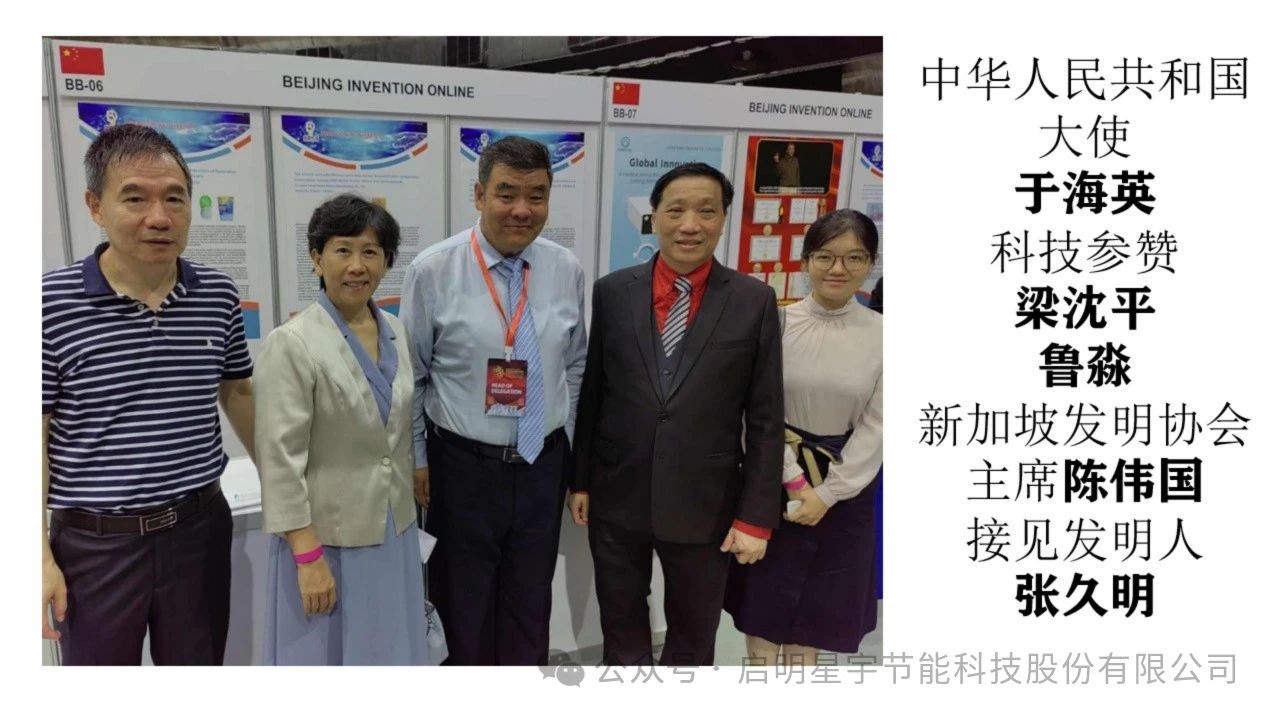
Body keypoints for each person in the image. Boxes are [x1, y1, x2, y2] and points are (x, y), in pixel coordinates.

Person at [41, 123, 255, 664]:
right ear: (95, 206)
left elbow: (238, 393)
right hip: (95, 548)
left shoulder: (217, 294)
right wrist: (35, 556)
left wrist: (285, 484)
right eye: (135, 198)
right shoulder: (47, 305)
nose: (159, 217)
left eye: (174, 199)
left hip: (198, 533)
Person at [569, 162, 784, 666]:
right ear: (655, 216)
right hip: (618, 493)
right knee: (621, 626)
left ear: (724, 219)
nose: (690, 224)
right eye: (676, 210)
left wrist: (756, 516)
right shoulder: (612, 291)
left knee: (692, 634)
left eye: (706, 211)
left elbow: (766, 417)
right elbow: (595, 391)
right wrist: (581, 480)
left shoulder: (753, 300)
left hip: (705, 501)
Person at [400, 136, 587, 665]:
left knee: (530, 602)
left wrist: (569, 457)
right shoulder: (434, 270)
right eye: (507, 193)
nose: (521, 209)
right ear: (479, 194)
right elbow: (412, 376)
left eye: (536, 196)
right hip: (461, 468)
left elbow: (575, 365)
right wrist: (417, 458)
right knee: (463, 607)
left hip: (541, 464)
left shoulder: (565, 268)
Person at [254, 194, 427, 665]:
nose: (357, 266)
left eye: (371, 252)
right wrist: (306, 556)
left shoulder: (396, 331)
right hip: (327, 541)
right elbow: (279, 460)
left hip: (393, 532)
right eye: (342, 250)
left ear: (387, 261)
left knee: (390, 654)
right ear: (317, 258)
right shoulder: (292, 344)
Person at [724, 209, 883, 665]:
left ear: (870, 263)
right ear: (805, 260)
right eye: (825, 256)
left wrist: (827, 494)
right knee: (763, 614)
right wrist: (794, 483)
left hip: (845, 492)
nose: (838, 269)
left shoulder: (885, 334)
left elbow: (879, 425)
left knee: (813, 619)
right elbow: (756, 411)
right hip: (773, 481)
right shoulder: (774, 323)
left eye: (854, 257)